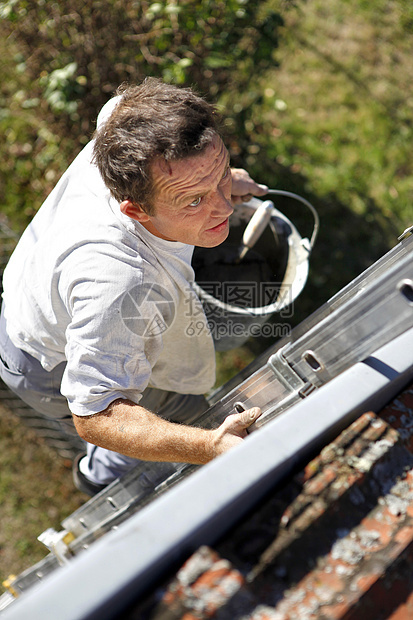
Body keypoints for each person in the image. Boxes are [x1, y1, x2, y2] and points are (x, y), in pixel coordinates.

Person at [0, 78, 267, 495]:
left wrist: (218, 178)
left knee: (181, 404)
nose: (225, 207)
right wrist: (211, 444)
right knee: (179, 416)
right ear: (135, 210)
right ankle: (101, 475)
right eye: (194, 200)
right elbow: (97, 414)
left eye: (218, 178)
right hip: (48, 363)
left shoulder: (127, 119)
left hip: (44, 293)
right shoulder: (122, 281)